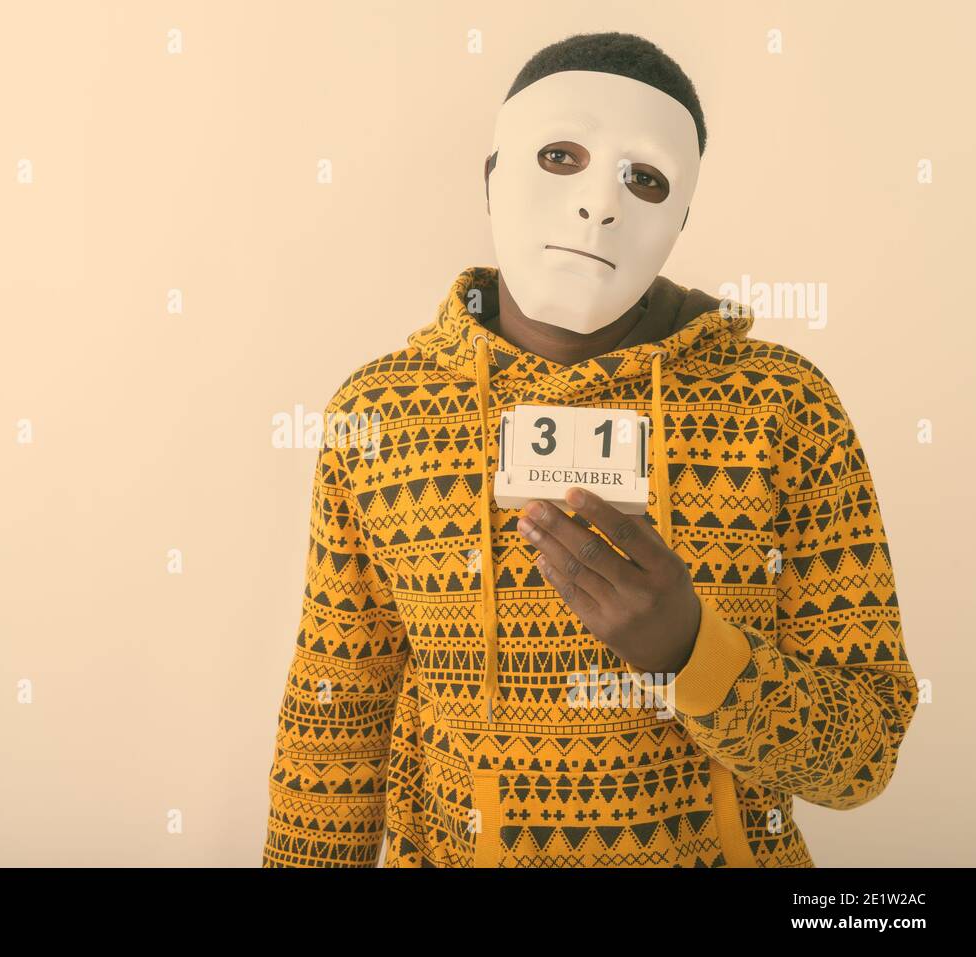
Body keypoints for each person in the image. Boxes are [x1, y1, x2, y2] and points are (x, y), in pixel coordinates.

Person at [261, 31, 917, 868]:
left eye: (644, 178)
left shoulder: (785, 409)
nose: (598, 204)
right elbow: (335, 725)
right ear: (492, 177)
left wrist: (692, 651)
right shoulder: (380, 414)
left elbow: (863, 754)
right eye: (561, 154)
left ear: (680, 218)